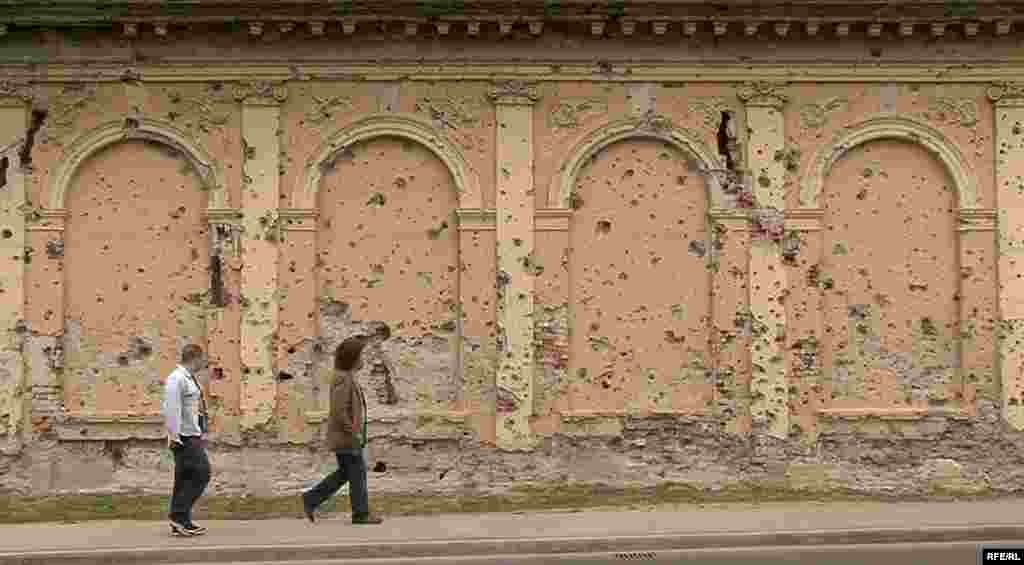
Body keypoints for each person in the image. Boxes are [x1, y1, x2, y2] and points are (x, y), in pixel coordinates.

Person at [302, 335, 383, 525]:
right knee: (357, 472)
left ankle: (311, 499)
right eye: (361, 356)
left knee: (348, 473)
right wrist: (353, 431)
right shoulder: (342, 379)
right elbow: (339, 411)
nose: (364, 359)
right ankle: (361, 514)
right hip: (346, 437)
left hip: (347, 435)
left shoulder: (346, 377)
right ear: (352, 358)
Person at [161, 344, 211, 536]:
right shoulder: (176, 379)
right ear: (195, 358)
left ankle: (181, 521)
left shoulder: (188, 379)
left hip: (192, 434)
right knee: (202, 473)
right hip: (184, 437)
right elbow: (171, 409)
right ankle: (178, 516)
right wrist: (174, 437)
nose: (204, 363)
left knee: (184, 479)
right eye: (202, 359)